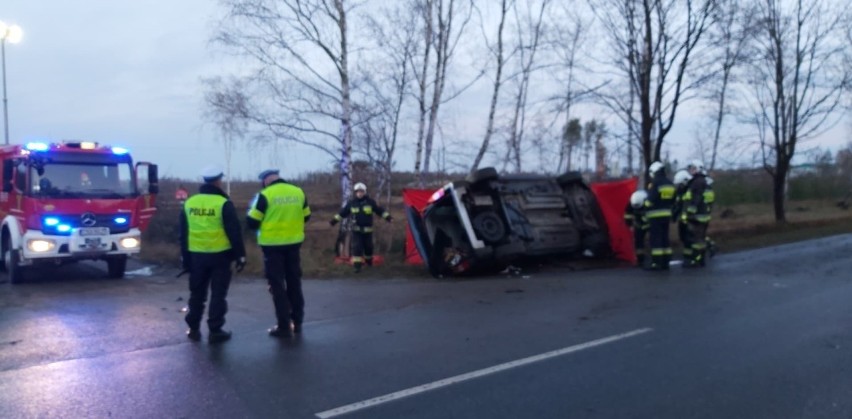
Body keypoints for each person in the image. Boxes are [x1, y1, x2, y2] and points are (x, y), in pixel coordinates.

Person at [179, 165, 246, 344]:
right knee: (218, 294)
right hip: (220, 257)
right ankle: (215, 330)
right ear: (218, 182)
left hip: (196, 256)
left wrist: (185, 259)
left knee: (197, 294)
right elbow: (234, 232)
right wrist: (240, 256)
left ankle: (193, 328)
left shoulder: (190, 203)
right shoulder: (223, 203)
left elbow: (183, 234)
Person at [247, 169, 311, 338]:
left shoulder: (265, 195)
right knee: (294, 283)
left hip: (272, 247)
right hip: (294, 245)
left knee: (277, 286)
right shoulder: (298, 192)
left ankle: (284, 325)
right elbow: (306, 216)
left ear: (266, 181)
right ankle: (297, 321)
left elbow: (252, 222)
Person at [329, 182, 392, 273]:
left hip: (368, 231)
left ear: (365, 192)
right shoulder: (352, 203)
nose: (360, 193)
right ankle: (357, 267)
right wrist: (333, 221)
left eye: (361, 191)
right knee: (357, 248)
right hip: (356, 231)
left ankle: (369, 263)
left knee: (369, 248)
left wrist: (389, 218)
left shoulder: (370, 202)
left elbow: (379, 211)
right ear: (355, 192)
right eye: (358, 192)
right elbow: (342, 213)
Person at [644, 161, 676, 270]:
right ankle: (665, 262)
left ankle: (656, 263)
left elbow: (650, 200)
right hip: (666, 215)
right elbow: (673, 200)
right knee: (665, 238)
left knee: (656, 239)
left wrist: (645, 205)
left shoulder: (655, 183)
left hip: (655, 215)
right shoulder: (669, 183)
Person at [682, 160, 713, 267]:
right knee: (700, 238)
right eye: (691, 168)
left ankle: (697, 259)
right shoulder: (700, 180)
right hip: (702, 215)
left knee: (697, 239)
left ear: (699, 169)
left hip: (697, 216)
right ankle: (699, 259)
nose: (691, 170)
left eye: (693, 168)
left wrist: (690, 211)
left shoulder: (698, 182)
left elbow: (696, 198)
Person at [671, 169, 694, 264]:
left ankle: (691, 256)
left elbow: (690, 204)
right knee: (683, 236)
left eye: (680, 183)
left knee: (690, 237)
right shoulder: (680, 191)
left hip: (691, 218)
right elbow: (678, 204)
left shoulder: (691, 189)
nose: (679, 185)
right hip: (682, 218)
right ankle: (687, 255)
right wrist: (674, 215)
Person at [624, 190, 649, 267]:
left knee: (655, 240)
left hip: (650, 224)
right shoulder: (632, 203)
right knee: (638, 241)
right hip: (639, 225)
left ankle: (656, 258)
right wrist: (629, 224)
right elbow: (627, 215)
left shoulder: (648, 203)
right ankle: (640, 259)